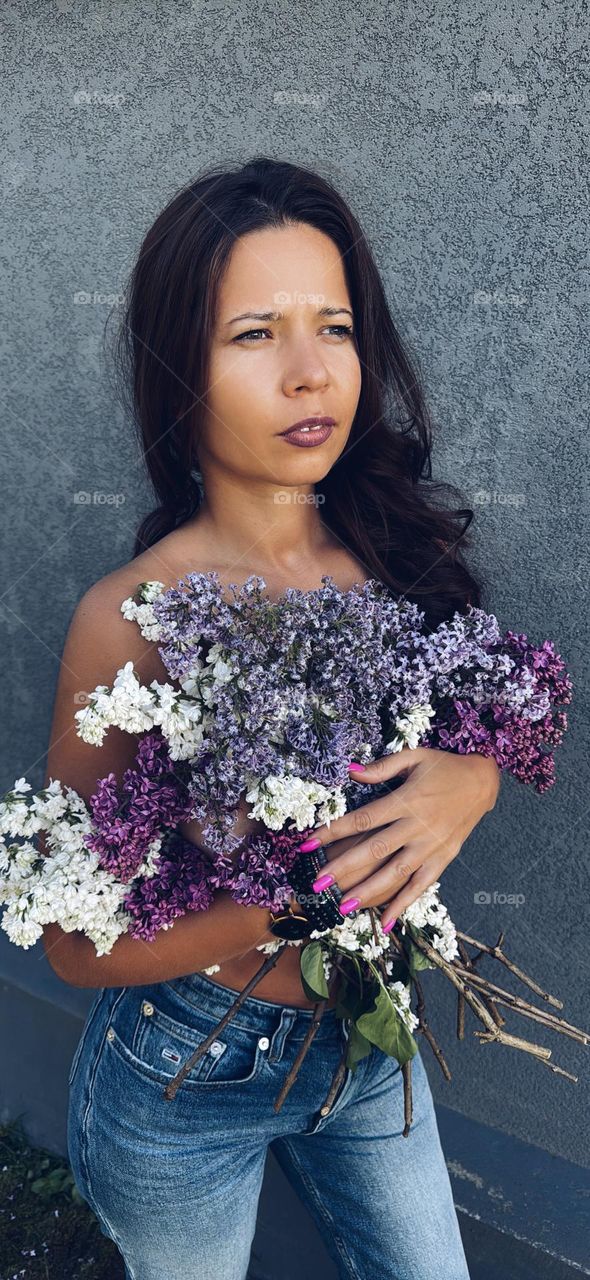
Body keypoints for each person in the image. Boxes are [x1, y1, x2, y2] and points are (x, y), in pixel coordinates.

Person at [43, 157, 500, 1279]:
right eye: (255, 334)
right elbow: (70, 937)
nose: (309, 373)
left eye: (332, 326)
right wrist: (292, 899)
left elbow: (476, 712)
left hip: (372, 1039)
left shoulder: (387, 559)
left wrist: (472, 777)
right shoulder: (131, 617)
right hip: (182, 1068)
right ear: (178, 368)